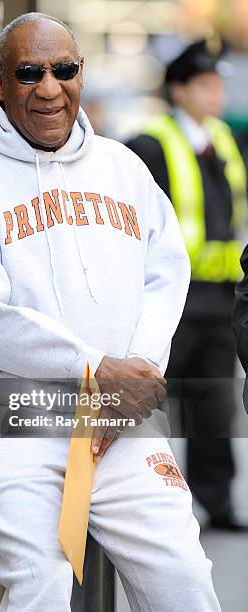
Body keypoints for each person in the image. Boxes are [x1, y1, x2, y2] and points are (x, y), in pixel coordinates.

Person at [0, 13, 221, 611]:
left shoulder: (123, 167)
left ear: (81, 73)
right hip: (8, 413)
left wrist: (135, 373)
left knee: (185, 576)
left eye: (64, 70)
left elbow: (167, 269)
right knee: (43, 582)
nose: (49, 87)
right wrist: (95, 371)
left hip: (117, 415)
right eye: (29, 72)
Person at [127, 39, 248, 531]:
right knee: (147, 403)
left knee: (214, 405)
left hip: (220, 299)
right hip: (170, 297)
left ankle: (216, 502)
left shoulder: (224, 141)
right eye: (204, 85)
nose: (215, 95)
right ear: (178, 90)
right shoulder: (150, 143)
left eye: (218, 85)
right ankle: (139, 502)